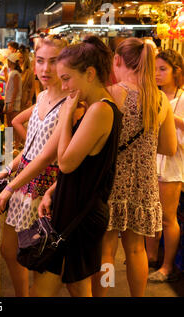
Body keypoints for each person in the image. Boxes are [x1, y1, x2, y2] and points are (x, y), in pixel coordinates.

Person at [32, 36, 122, 297]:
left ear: (90, 74)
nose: (64, 85)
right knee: (76, 284)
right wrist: (54, 190)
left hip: (80, 213)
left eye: (67, 78)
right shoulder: (97, 107)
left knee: (49, 286)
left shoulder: (99, 110)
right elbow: (86, 164)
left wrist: (66, 116)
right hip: (76, 206)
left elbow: (66, 162)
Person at [91, 38, 177, 297]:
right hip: (144, 183)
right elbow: (169, 148)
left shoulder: (111, 95)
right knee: (137, 248)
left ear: (117, 60)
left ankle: (102, 296)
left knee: (106, 250)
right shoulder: (160, 99)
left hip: (111, 182)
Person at [0, 34, 68, 297]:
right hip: (24, 184)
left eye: (53, 62)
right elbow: (32, 149)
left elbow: (46, 156)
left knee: (39, 259)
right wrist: (8, 170)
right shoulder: (42, 97)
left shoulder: (71, 103)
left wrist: (10, 186)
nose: (45, 68)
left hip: (46, 191)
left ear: (66, 64)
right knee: (9, 251)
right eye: (41, 61)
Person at [145, 49, 184, 283]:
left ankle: (167, 266)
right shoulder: (154, 96)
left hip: (171, 165)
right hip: (150, 163)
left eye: (163, 69)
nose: (157, 74)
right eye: (155, 69)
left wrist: (170, 117)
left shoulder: (180, 99)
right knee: (151, 213)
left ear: (176, 71)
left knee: (168, 217)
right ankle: (149, 256)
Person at [4, 52, 23, 137]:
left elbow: (15, 89)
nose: (7, 63)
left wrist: (11, 102)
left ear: (12, 62)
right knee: (9, 124)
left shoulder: (15, 73)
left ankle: (15, 144)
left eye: (8, 61)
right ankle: (10, 144)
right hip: (9, 101)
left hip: (13, 102)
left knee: (12, 124)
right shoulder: (12, 72)